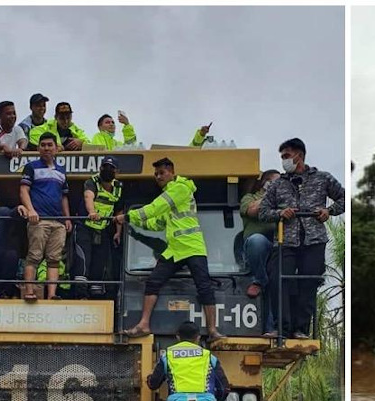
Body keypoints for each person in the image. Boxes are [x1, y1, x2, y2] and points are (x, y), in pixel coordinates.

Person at [115, 157, 224, 340]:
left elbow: (155, 208)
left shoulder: (180, 188)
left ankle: (213, 330)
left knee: (204, 286)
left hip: (193, 247)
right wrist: (133, 228)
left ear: (172, 173)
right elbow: (156, 224)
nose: (158, 176)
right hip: (174, 250)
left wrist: (126, 217)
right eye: (156, 174)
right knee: (153, 282)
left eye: (162, 173)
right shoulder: (169, 196)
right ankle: (143, 325)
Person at [258, 139, 344, 339]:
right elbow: (263, 212)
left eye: (286, 156)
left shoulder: (323, 178)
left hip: (314, 240)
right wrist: (280, 212)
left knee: (309, 282)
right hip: (285, 240)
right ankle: (282, 328)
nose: (284, 161)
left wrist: (328, 211)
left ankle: (301, 329)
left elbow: (343, 198)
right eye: (282, 157)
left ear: (300, 155)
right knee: (279, 281)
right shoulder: (277, 184)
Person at [20, 132, 71, 301]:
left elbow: (64, 196)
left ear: (56, 148)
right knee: (34, 256)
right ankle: (29, 292)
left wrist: (67, 218)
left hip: (58, 222)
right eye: (43, 145)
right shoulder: (31, 167)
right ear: (38, 148)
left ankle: (52, 295)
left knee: (54, 259)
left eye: (50, 145)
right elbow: (24, 190)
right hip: (39, 220)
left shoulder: (62, 171)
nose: (46, 148)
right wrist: (31, 210)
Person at [81, 156, 125, 296]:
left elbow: (119, 212)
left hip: (104, 229)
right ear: (100, 168)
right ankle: (80, 293)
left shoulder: (118, 187)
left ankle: (96, 292)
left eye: (111, 168)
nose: (108, 170)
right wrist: (92, 212)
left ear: (116, 171)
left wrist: (118, 232)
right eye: (105, 167)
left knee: (100, 260)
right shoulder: (92, 181)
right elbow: (88, 197)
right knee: (83, 259)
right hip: (85, 227)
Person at [240, 170, 280, 300]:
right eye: (277, 183)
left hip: (278, 249)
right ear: (266, 183)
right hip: (256, 252)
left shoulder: (283, 200)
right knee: (257, 240)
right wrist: (270, 196)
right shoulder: (249, 198)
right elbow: (252, 210)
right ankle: (259, 280)